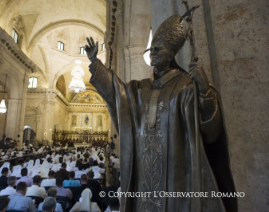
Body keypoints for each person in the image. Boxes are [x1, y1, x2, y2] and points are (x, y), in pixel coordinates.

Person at [84, 12, 237, 212]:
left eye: (158, 48)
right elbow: (116, 91)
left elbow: (210, 130)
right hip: (144, 175)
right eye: (151, 48)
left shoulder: (187, 86)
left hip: (176, 174)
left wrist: (204, 90)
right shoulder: (139, 89)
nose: (152, 52)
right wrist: (95, 62)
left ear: (171, 55)